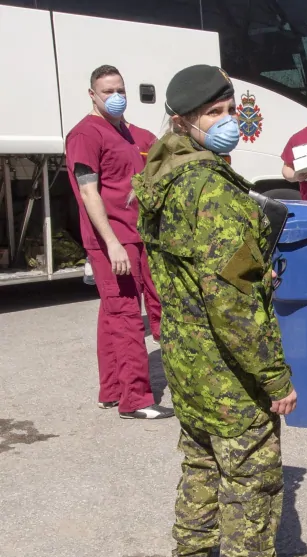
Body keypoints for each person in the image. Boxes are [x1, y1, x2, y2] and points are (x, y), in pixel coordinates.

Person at [132, 64, 307, 557]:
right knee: (252, 486)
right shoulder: (212, 190)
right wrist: (274, 376)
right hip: (229, 370)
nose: (228, 121)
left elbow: (190, 276)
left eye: (230, 108)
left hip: (187, 361)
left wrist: (251, 265)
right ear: (185, 120)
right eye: (215, 114)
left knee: (201, 469)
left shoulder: (163, 175)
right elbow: (234, 303)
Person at [65, 65, 173, 420]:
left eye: (120, 90)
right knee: (127, 315)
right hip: (113, 239)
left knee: (112, 313)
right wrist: (111, 243)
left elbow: (165, 153)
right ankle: (136, 400)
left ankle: (111, 389)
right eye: (108, 91)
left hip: (140, 235)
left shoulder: (135, 135)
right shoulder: (85, 134)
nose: (117, 97)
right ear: (92, 95)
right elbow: (87, 190)